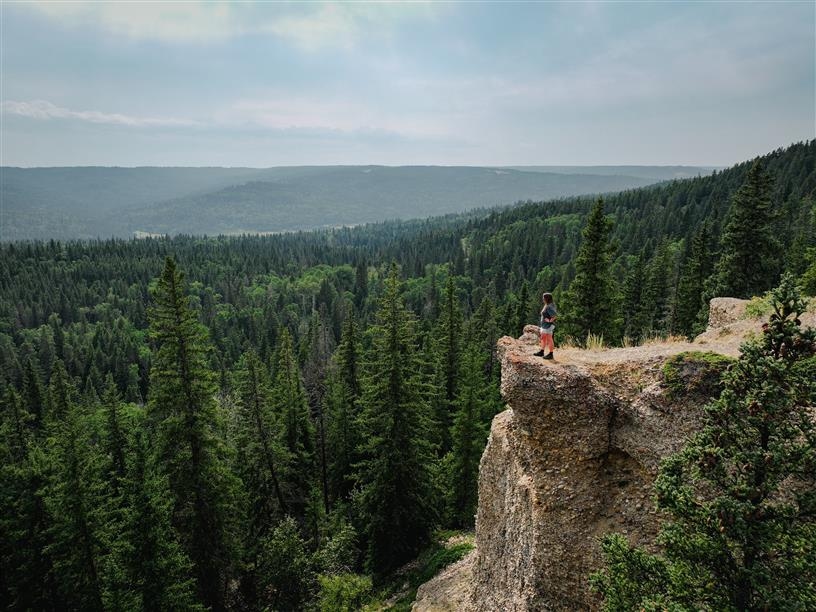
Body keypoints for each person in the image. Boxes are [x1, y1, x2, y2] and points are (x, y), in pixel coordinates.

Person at [534, 292, 556, 359]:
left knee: (549, 339)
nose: (542, 299)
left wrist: (549, 321)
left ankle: (551, 354)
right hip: (545, 325)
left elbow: (554, 316)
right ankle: (542, 351)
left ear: (547, 299)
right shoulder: (548, 304)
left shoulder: (549, 306)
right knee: (543, 338)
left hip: (547, 326)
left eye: (543, 298)